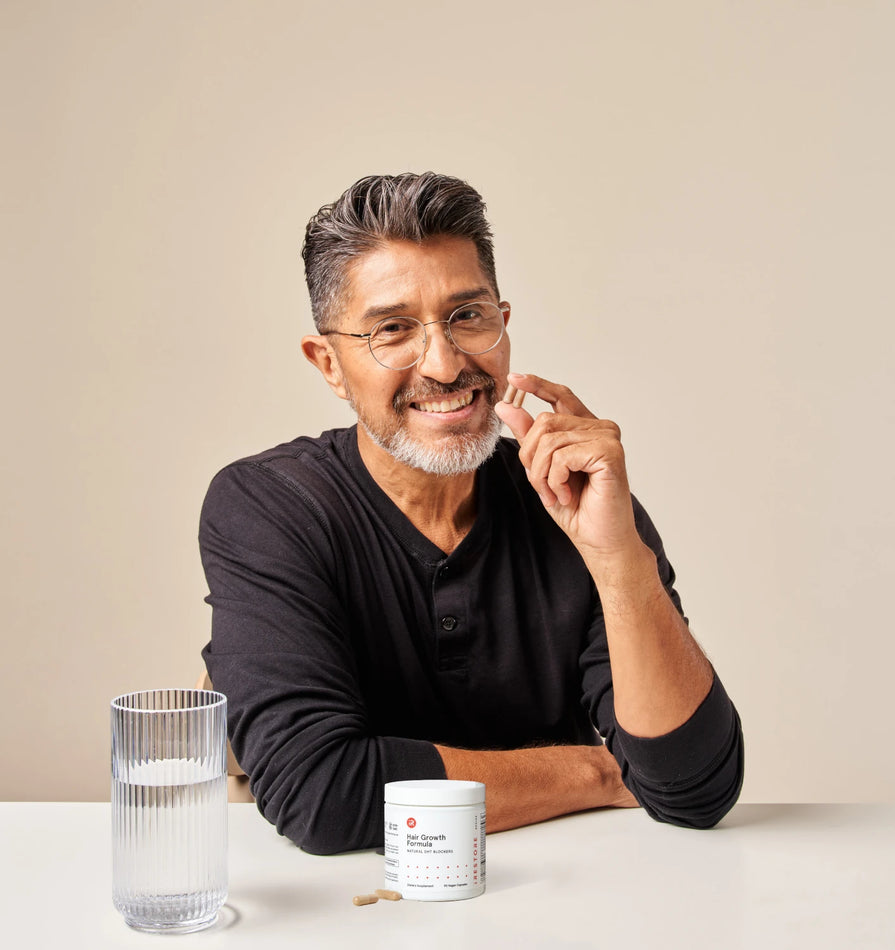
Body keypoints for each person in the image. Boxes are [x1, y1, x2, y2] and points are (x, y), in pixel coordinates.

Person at [199, 172, 743, 855]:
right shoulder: (269, 507)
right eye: (392, 330)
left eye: (467, 317)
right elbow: (323, 795)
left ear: (503, 324)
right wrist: (602, 771)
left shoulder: (573, 500)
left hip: (575, 899)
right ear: (329, 364)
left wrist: (618, 559)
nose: (446, 363)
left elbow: (693, 790)